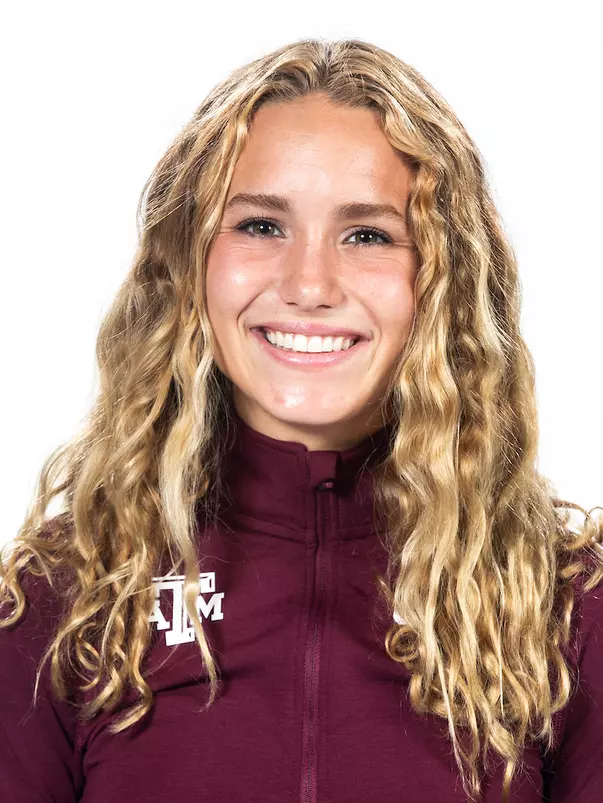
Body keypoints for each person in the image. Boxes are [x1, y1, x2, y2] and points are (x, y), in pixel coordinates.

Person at [1, 37, 601, 803]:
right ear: (188, 261)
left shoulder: (561, 604)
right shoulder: (67, 597)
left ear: (441, 279)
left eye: (367, 235)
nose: (309, 284)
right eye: (260, 225)